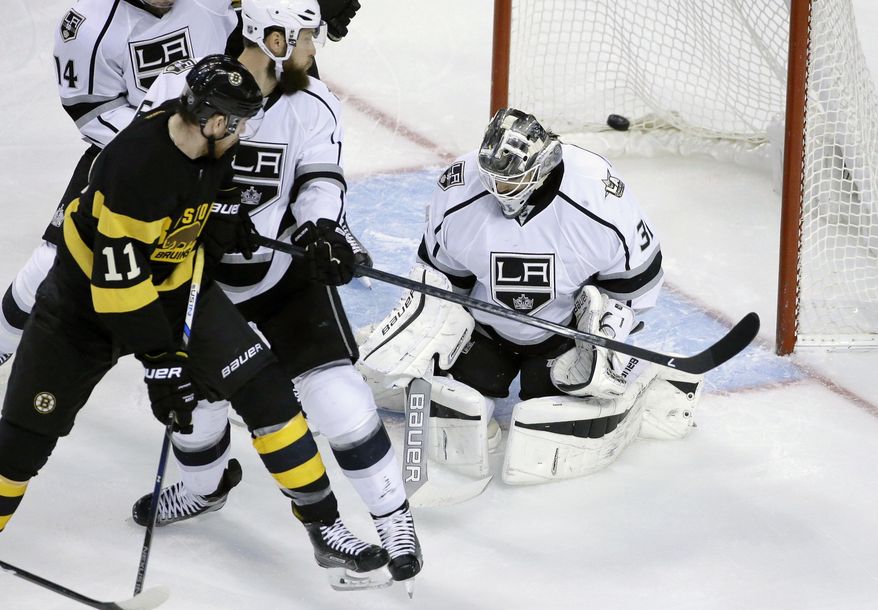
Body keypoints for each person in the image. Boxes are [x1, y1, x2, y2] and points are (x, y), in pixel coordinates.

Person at [0, 55, 390, 586]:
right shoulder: (135, 167)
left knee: (266, 391)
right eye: (240, 124)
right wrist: (163, 363)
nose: (244, 133)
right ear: (213, 120)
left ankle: (326, 529)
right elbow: (118, 288)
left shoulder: (207, 140)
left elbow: (209, 191)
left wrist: (228, 216)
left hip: (174, 284)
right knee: (25, 437)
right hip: (83, 306)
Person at [127, 0, 422, 590]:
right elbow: (145, 173)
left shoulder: (312, 103)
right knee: (193, 406)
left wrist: (319, 227)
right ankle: (205, 486)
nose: (316, 48)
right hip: (200, 277)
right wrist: (196, 219)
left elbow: (319, 178)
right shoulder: (181, 87)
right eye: (307, 36)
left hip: (280, 276)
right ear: (274, 35)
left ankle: (394, 520)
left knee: (338, 398)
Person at [356, 108, 705, 485]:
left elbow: (637, 279)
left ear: (541, 168)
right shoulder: (459, 188)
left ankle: (635, 384)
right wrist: (433, 326)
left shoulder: (596, 194)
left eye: (510, 179)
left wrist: (609, 329)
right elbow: (444, 279)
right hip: (486, 329)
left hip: (564, 334)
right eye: (492, 177)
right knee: (459, 405)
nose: (496, 189)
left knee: (547, 412)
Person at [0, 0, 239, 366]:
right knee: (53, 261)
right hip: (130, 158)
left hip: (223, 148)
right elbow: (92, 111)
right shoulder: (87, 26)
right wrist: (160, 153)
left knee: (227, 261)